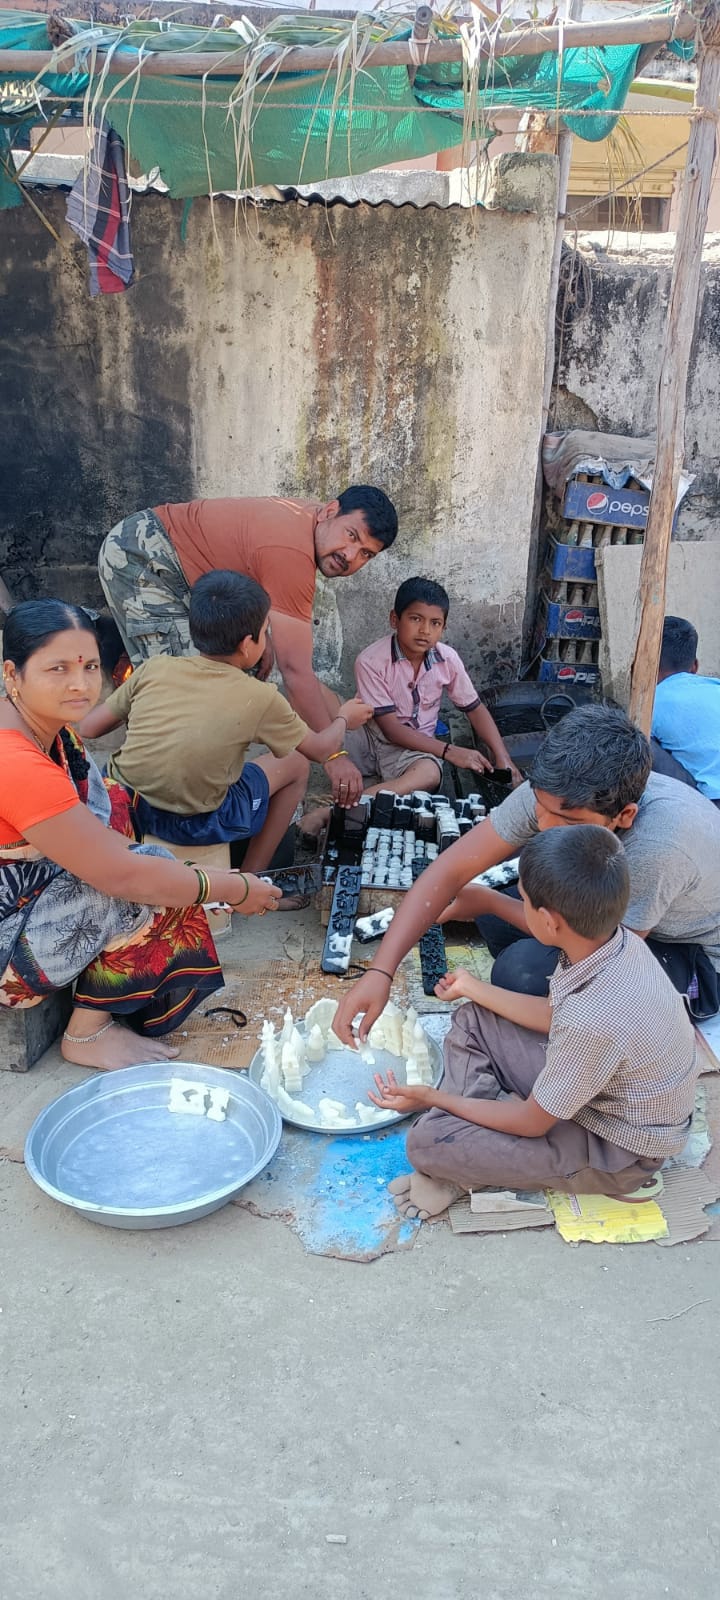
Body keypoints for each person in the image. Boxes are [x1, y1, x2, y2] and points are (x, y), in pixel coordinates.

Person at [0, 601, 282, 1073]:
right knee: (141, 880)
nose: (80, 683)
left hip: (24, 889)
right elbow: (123, 874)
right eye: (57, 668)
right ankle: (86, 1033)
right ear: (13, 672)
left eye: (89, 666)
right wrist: (231, 886)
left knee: (115, 802)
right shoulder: (14, 760)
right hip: (8, 944)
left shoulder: (49, 732)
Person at [332, 705, 720, 1045]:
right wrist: (380, 971)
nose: (545, 825)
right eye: (540, 809)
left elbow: (609, 966)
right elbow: (447, 871)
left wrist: (488, 927)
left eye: (566, 822)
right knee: (495, 920)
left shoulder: (657, 849)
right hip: (612, 916)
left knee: (522, 973)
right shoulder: (553, 794)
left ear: (625, 817)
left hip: (689, 951)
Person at [369, 827, 698, 1221]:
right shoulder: (619, 941)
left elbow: (531, 1123)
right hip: (595, 1089)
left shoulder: (594, 1019)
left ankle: (459, 1159)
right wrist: (472, 987)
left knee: (425, 1143)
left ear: (548, 921)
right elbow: (554, 1016)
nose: (519, 906)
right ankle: (472, 1135)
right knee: (474, 1015)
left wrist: (431, 1098)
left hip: (621, 1150)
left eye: (521, 900)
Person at [98, 486, 398, 807]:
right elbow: (296, 673)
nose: (351, 555)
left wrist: (263, 632)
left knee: (235, 674)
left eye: (366, 553)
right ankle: (142, 798)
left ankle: (203, 774)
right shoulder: (292, 552)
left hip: (184, 571)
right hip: (144, 557)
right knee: (186, 693)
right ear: (329, 511)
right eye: (351, 535)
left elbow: (256, 566)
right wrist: (334, 756)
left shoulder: (310, 523)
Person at [80, 571, 372, 873]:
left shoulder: (155, 668)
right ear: (248, 643)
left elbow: (89, 728)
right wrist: (343, 718)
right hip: (198, 823)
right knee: (297, 764)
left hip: (126, 804)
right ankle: (253, 880)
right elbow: (322, 749)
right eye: (266, 631)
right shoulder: (259, 696)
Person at [301, 576, 520, 835]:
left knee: (429, 774)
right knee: (312, 693)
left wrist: (503, 758)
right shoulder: (370, 660)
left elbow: (474, 708)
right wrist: (450, 751)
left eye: (435, 623)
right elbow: (391, 730)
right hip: (368, 739)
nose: (425, 630)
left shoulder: (447, 659)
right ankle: (380, 785)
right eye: (416, 619)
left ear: (443, 628)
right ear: (395, 620)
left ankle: (333, 811)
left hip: (412, 750)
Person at [650, 615, 720, 807]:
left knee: (639, 739)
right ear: (695, 666)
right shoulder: (715, 686)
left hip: (711, 804)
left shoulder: (652, 701)